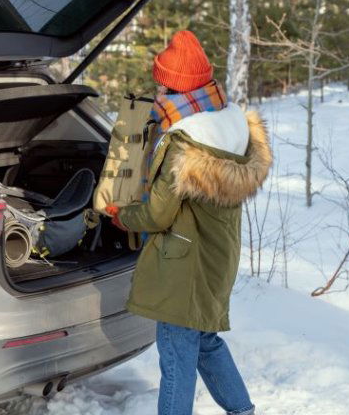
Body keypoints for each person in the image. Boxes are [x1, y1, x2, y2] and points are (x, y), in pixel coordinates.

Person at [106, 30, 272, 415]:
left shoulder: (184, 145)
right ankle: (242, 410)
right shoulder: (231, 126)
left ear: (178, 90)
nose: (158, 94)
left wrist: (121, 215)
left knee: (177, 357)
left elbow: (158, 214)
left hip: (184, 265)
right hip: (217, 256)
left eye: (163, 87)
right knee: (206, 340)